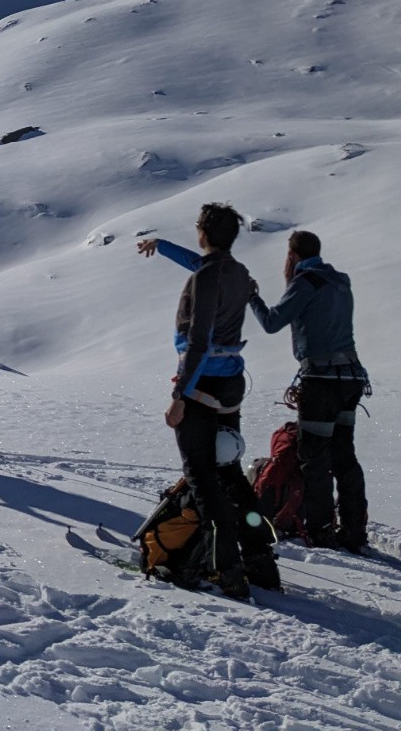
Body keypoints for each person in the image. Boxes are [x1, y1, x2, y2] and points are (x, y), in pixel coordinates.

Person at [137, 203, 274, 598]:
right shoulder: (239, 273)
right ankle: (260, 557)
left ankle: (227, 571)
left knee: (201, 476)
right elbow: (201, 265)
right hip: (230, 383)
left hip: (202, 382)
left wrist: (180, 395)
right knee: (228, 470)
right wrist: (162, 246)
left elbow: (198, 340)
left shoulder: (207, 277)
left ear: (203, 231)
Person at [249, 229, 370, 552]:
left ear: (293, 255)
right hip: (351, 376)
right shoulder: (340, 282)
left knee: (313, 457)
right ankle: (354, 530)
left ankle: (320, 531)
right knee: (344, 455)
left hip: (320, 379)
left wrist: (252, 297)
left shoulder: (306, 282)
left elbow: (272, 322)